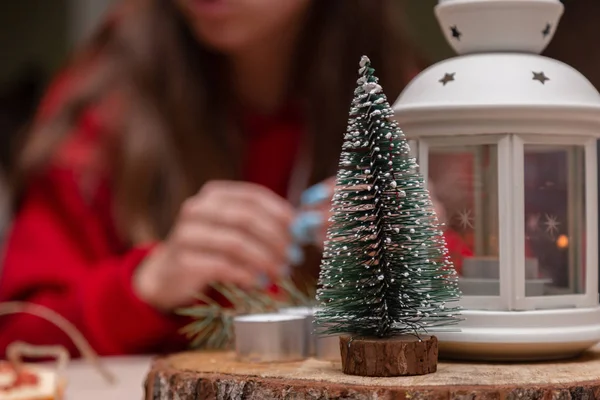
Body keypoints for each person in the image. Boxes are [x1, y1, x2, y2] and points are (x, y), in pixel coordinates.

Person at [0, 0, 423, 357]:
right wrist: (146, 284)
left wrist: (421, 255)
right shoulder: (104, 106)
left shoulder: (415, 103)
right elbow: (17, 339)